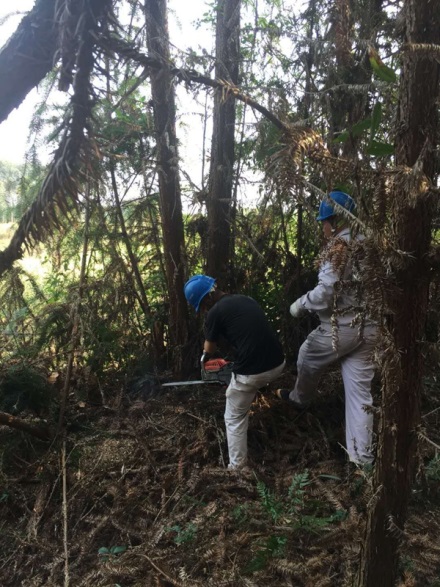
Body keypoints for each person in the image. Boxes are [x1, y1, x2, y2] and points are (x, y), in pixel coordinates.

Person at [277, 190, 377, 466]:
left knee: (307, 355)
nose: (322, 227)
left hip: (340, 329)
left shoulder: (338, 248)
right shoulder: (368, 243)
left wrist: (300, 304)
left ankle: (300, 399)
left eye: (323, 221)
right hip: (370, 329)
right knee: (360, 396)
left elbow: (326, 291)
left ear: (333, 221)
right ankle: (362, 463)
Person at [184, 275, 285, 470]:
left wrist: (204, 359)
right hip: (278, 362)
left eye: (203, 306)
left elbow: (210, 347)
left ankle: (238, 469)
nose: (205, 310)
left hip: (254, 373)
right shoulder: (245, 299)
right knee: (247, 381)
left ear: (206, 299)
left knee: (233, 417)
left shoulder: (215, 312)